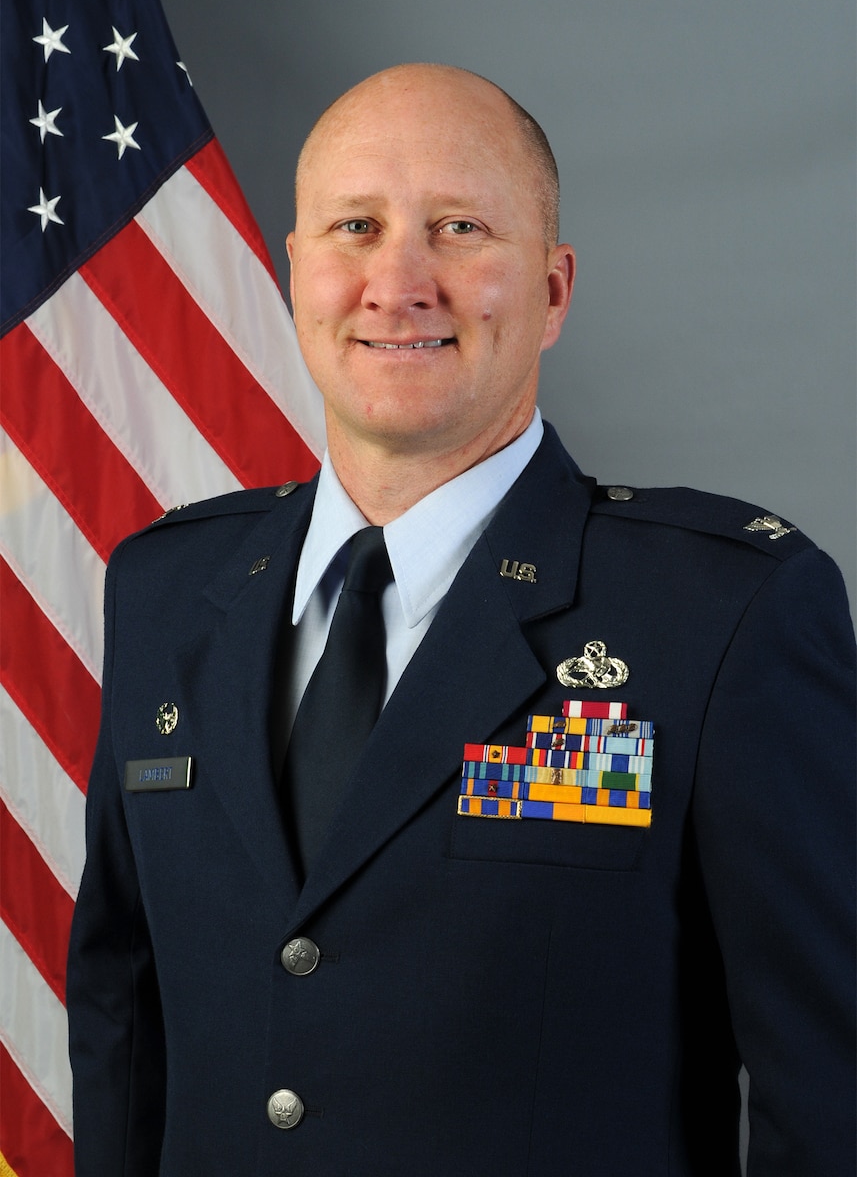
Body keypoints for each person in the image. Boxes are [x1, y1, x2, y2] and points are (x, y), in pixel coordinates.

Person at [67, 64, 855, 1175]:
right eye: (355, 226)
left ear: (551, 289)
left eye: (458, 228)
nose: (398, 282)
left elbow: (826, 1093)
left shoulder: (720, 618)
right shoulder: (164, 588)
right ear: (297, 274)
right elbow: (121, 1018)